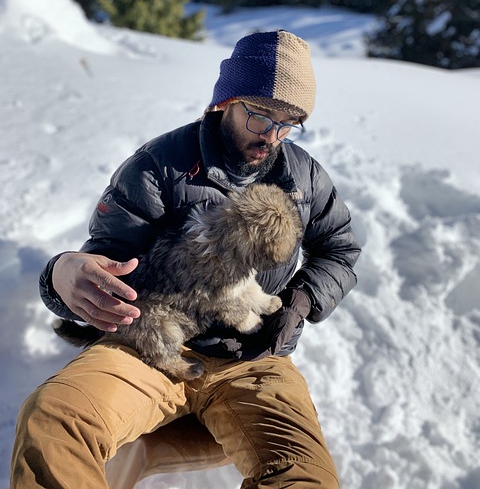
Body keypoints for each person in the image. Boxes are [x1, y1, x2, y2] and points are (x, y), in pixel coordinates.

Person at [11, 30, 361, 489]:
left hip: (253, 357)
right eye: (258, 116)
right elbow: (109, 259)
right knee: (53, 420)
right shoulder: (159, 166)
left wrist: (302, 299)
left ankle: (148, 451)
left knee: (303, 477)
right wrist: (62, 275)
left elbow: (340, 248)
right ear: (225, 102)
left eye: (288, 122)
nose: (272, 136)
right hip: (149, 344)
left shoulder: (305, 176)